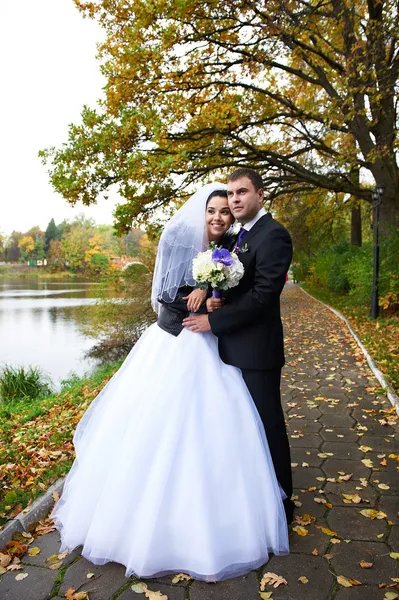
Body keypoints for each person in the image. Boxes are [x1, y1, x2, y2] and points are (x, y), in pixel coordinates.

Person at [51, 182, 289, 583]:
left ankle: (239, 507)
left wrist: (212, 298)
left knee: (222, 425)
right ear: (202, 213)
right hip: (177, 343)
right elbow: (163, 295)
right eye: (213, 210)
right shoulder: (180, 239)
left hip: (216, 344)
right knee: (159, 425)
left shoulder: (233, 242)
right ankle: (144, 521)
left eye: (225, 211)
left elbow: (243, 289)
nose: (219, 216)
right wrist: (194, 297)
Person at [183, 169, 295, 524]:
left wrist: (212, 321)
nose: (234, 199)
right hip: (231, 347)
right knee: (244, 428)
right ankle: (254, 497)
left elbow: (263, 297)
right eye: (230, 193)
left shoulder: (273, 235)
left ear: (260, 195)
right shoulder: (239, 235)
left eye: (241, 192)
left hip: (257, 351)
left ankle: (282, 502)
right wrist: (211, 295)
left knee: (267, 425)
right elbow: (233, 284)